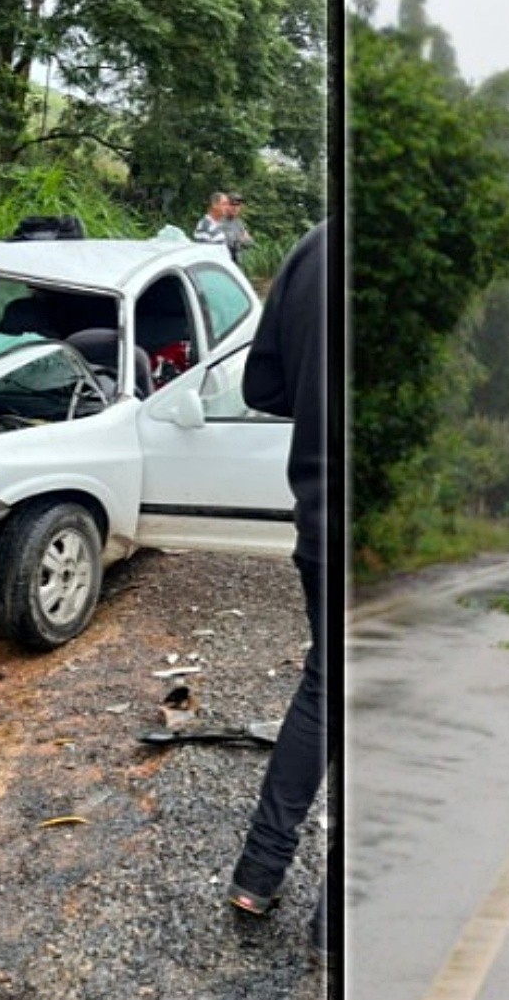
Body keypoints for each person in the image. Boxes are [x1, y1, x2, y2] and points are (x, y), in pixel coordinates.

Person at [224, 220, 333, 965]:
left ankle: (259, 875)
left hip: (319, 515)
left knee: (327, 687)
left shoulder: (317, 244)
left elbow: (260, 384)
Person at [221, 193, 255, 266]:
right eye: (232, 204)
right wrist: (240, 238)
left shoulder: (239, 223)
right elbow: (226, 242)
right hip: (223, 264)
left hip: (237, 265)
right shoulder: (219, 221)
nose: (235, 208)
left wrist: (238, 239)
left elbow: (251, 242)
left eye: (238, 205)